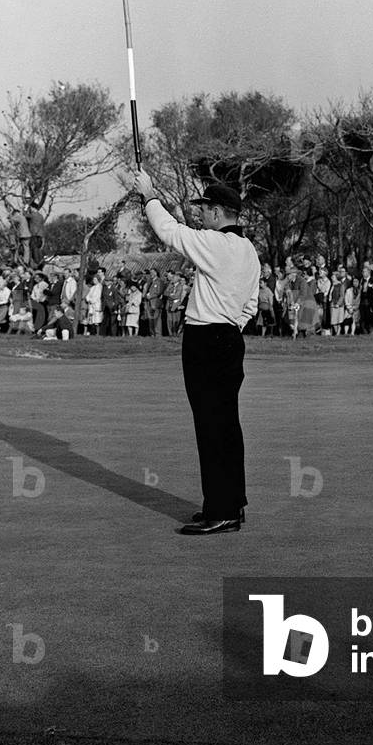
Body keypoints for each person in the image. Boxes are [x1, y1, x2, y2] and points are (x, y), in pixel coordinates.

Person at [130, 169, 260, 536]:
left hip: (207, 339)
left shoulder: (216, 243)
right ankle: (229, 504)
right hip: (230, 337)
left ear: (219, 212)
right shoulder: (249, 250)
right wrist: (231, 327)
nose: (200, 214)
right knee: (225, 425)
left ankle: (222, 510)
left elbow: (170, 232)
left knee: (212, 426)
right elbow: (249, 305)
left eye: (204, 208)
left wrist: (149, 195)